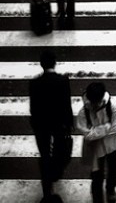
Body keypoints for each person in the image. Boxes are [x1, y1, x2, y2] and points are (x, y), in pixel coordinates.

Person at [29, 50, 73, 199]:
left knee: (45, 155)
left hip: (41, 125)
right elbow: (67, 105)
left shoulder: (34, 83)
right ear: (55, 63)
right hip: (59, 124)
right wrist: (69, 123)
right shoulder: (63, 81)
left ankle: (47, 187)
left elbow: (33, 108)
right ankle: (56, 172)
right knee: (59, 150)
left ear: (41, 65)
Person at [76, 81, 116, 203]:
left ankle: (110, 189)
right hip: (96, 149)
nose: (95, 105)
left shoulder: (113, 108)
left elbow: (115, 130)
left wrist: (95, 132)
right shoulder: (84, 112)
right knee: (96, 176)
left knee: (113, 170)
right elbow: (86, 133)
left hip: (113, 145)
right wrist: (105, 128)